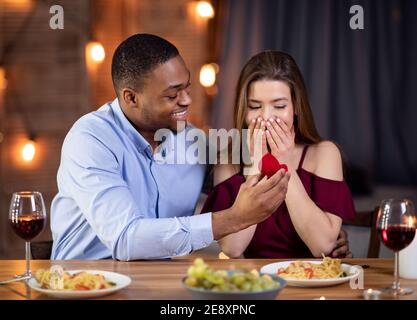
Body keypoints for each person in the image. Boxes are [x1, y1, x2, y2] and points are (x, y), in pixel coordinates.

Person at [50, 34, 290, 260]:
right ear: (131, 98)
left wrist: (263, 149)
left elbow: (232, 178)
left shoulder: (193, 142)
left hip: (157, 284)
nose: (187, 100)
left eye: (187, 87)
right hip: (82, 282)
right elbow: (126, 239)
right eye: (172, 95)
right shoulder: (91, 139)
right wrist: (235, 218)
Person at [202, 51, 355, 259]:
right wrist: (254, 167)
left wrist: (284, 165)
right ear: (243, 111)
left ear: (296, 108)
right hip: (257, 284)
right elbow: (232, 248)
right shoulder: (228, 161)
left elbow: (323, 246)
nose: (266, 118)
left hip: (311, 282)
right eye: (255, 106)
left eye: (279, 106)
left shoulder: (325, 154)